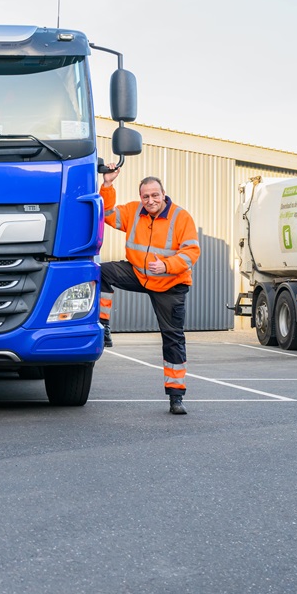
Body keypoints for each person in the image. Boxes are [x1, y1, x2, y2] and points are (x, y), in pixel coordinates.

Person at [99, 166, 200, 415]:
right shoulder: (135, 211)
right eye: (145, 196)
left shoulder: (181, 217)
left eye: (155, 195)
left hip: (170, 283)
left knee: (173, 339)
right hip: (139, 273)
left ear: (163, 194)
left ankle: (176, 396)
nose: (150, 201)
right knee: (98, 271)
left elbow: (191, 253)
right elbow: (108, 213)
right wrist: (108, 184)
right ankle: (104, 326)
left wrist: (166, 265)